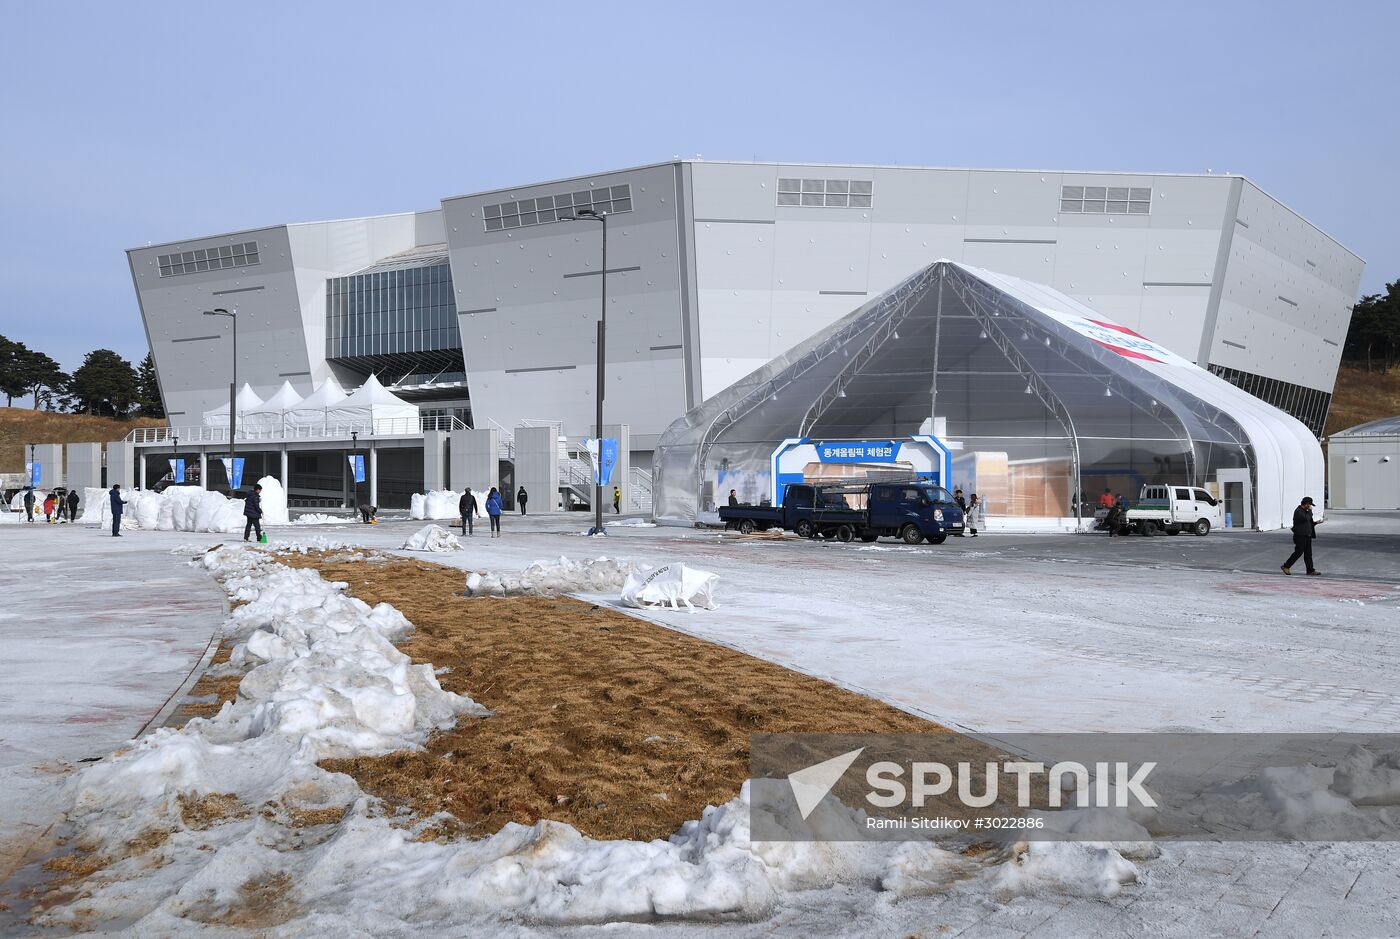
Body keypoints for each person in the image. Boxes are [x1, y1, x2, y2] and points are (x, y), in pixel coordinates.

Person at [1282, 496, 1323, 576]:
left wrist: (1315, 523)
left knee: (1308, 554)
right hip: (1300, 535)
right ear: (1307, 504)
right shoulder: (1299, 511)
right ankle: (1286, 566)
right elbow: (1305, 518)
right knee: (1298, 552)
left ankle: (1310, 570)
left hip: (1307, 535)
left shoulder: (1305, 511)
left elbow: (1307, 522)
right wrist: (1310, 511)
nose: (1311, 506)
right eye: (1310, 505)